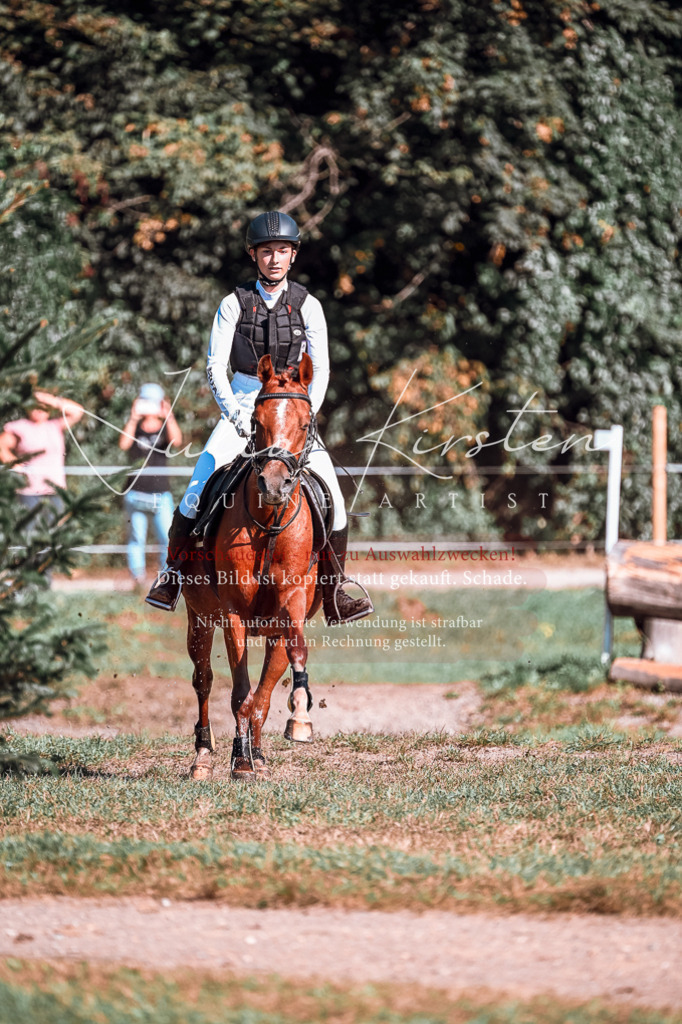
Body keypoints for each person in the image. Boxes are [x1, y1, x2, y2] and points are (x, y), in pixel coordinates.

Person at [146, 210, 373, 624]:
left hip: (292, 409)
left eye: (282, 251)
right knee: (194, 491)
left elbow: (320, 369)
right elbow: (215, 367)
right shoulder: (233, 303)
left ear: (293, 255)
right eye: (267, 251)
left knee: (336, 502)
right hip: (245, 399)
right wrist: (234, 413)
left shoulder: (310, 306)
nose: (274, 258)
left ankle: (336, 588)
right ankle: (173, 575)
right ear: (254, 254)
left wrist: (306, 415)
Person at [119, 383, 182, 587]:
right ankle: (137, 577)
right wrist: (133, 417)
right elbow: (123, 444)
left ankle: (165, 577)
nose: (150, 406)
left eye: (153, 401)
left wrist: (169, 415)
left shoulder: (165, 427)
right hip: (135, 493)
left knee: (167, 537)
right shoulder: (134, 427)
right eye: (145, 400)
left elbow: (178, 442)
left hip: (160, 493)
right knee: (136, 538)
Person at [0, 389, 84, 515]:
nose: (39, 409)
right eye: (35, 405)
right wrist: (14, 463)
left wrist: (51, 399)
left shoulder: (55, 426)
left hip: (55, 491)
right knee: (30, 531)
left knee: (54, 532)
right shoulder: (20, 427)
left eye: (44, 407)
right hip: (30, 492)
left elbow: (77, 412)